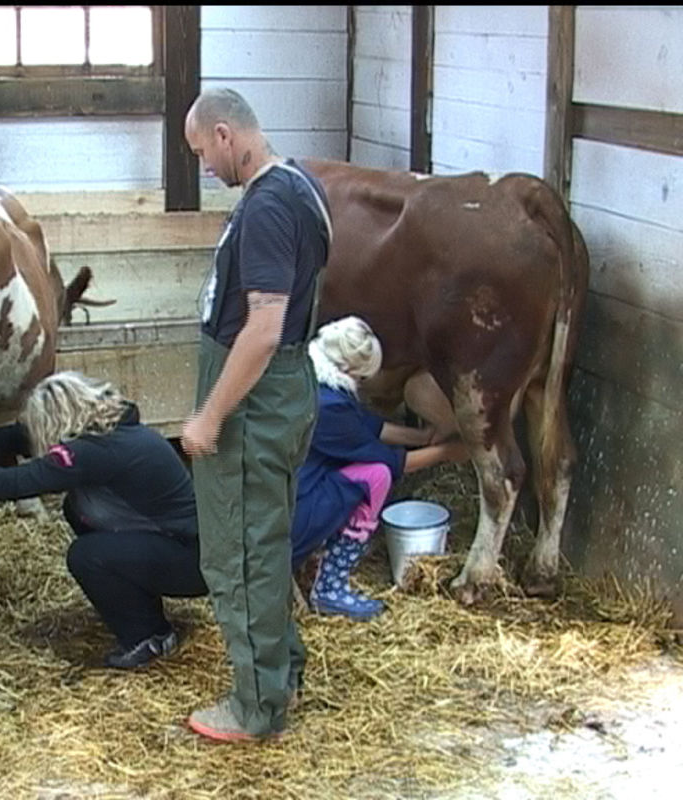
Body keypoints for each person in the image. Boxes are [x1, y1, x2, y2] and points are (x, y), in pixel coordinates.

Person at [179, 88, 332, 742]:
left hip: (254, 400)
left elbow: (264, 327)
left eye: (202, 155)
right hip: (282, 391)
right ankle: (281, 673)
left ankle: (257, 706)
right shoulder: (300, 184)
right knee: (263, 543)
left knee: (241, 553)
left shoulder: (269, 205)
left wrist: (211, 415)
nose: (206, 170)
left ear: (224, 134)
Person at [0, 371, 207, 670]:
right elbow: (16, 439)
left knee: (87, 556)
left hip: (193, 561)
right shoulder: (109, 432)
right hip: (183, 549)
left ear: (56, 421)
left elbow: (17, 482)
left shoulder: (98, 451)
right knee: (77, 510)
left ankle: (151, 636)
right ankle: (140, 608)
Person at [292, 316, 470, 619]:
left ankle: (320, 565)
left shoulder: (313, 384)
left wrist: (422, 437)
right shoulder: (330, 407)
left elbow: (367, 427)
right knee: (377, 476)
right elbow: (394, 462)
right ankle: (330, 588)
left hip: (291, 494)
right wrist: (445, 452)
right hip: (295, 514)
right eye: (361, 378)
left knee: (369, 471)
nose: (362, 385)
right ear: (347, 370)